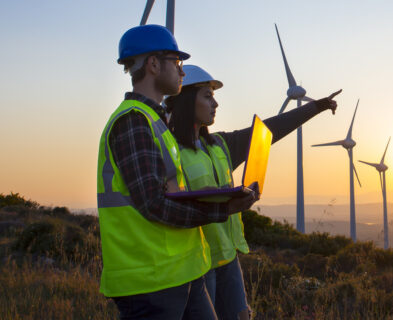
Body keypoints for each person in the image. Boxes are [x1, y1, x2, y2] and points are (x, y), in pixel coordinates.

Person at [97, 25, 258, 320]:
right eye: (177, 62)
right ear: (154, 65)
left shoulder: (155, 123)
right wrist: (222, 209)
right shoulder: (133, 122)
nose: (182, 72)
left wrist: (219, 197)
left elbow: (172, 193)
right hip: (151, 282)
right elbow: (153, 204)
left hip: (183, 272)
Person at [165, 64, 341, 320]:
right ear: (186, 100)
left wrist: (316, 106)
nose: (215, 103)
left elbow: (269, 131)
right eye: (207, 96)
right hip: (197, 265)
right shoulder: (170, 152)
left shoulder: (220, 145)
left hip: (228, 259)